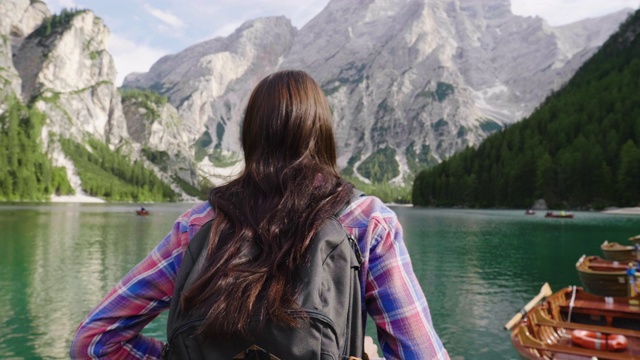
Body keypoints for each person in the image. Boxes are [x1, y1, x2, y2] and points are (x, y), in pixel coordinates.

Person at [70, 70, 449, 359]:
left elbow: (94, 341)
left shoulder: (199, 225)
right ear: (323, 134)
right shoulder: (368, 222)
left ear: (250, 137)